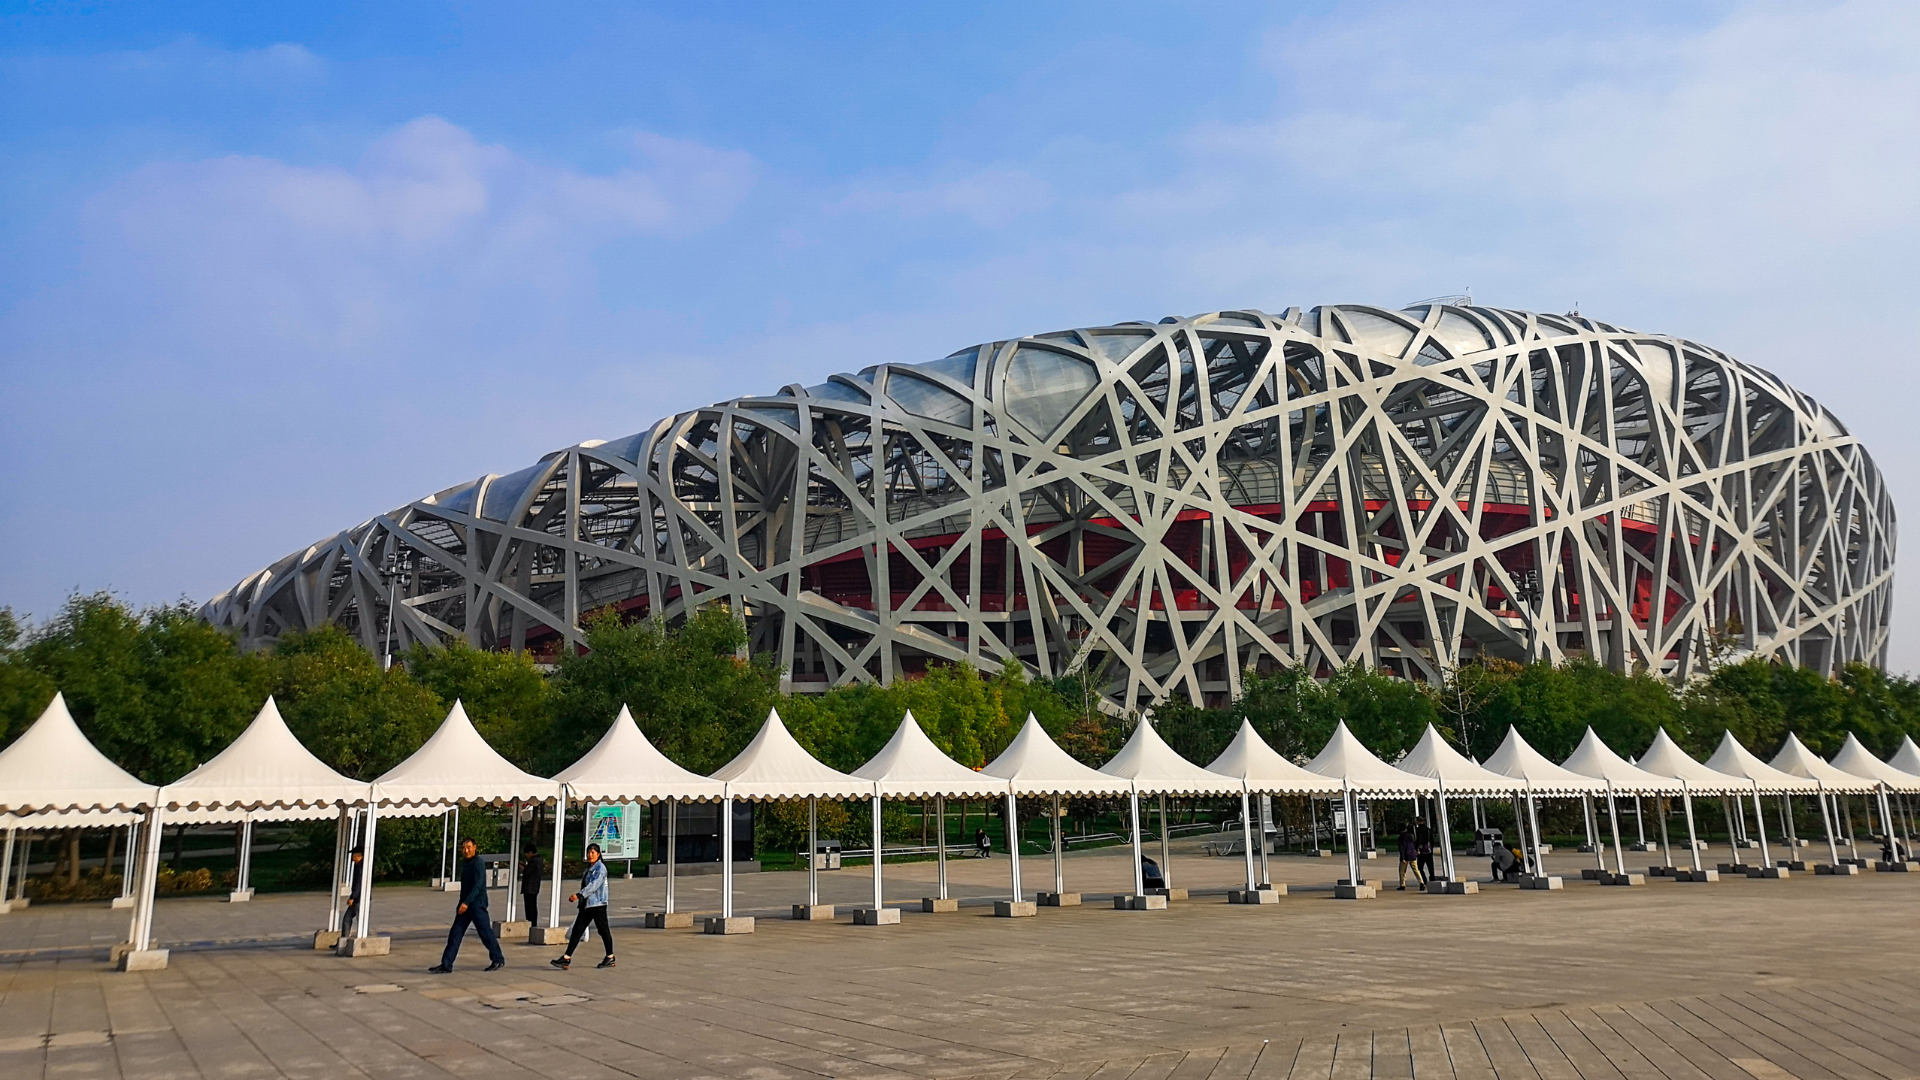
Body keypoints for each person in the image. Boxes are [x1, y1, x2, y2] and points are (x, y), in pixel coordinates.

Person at [429, 838, 505, 973]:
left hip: (476, 904)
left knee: (485, 933)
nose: (466, 850)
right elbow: (465, 887)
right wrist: (461, 903)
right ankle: (446, 964)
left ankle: (498, 959)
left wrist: (466, 902)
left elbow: (478, 885)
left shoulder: (478, 863)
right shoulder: (465, 863)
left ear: (475, 847)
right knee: (455, 934)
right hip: (465, 905)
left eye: (469, 847)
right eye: (464, 848)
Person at [551, 842, 614, 970]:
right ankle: (566, 958)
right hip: (587, 905)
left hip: (597, 905)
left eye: (593, 852)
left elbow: (594, 885)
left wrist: (579, 895)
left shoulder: (600, 869)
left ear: (598, 854)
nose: (590, 855)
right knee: (577, 931)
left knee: (603, 931)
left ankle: (610, 956)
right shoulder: (589, 869)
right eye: (588, 852)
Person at [341, 846, 365, 930]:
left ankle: (362, 936)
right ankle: (343, 940)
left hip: (359, 898)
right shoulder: (358, 866)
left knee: (359, 919)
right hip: (358, 897)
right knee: (347, 918)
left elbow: (358, 883)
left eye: (354, 855)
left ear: (359, 856)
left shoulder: (361, 868)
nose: (352, 857)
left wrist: (352, 897)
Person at [520, 842, 544, 923]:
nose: (527, 856)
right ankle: (532, 922)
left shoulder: (534, 861)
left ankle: (531, 922)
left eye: (527, 853)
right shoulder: (538, 860)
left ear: (530, 852)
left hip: (530, 888)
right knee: (532, 906)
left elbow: (527, 871)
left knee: (530, 907)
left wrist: (523, 868)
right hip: (534, 887)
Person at [1396, 825, 1419, 890]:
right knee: (1416, 870)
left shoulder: (1401, 837)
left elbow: (1402, 848)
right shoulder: (1410, 836)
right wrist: (1416, 851)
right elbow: (1414, 844)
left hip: (1405, 856)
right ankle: (1421, 882)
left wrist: (1403, 858)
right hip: (1412, 855)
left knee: (1402, 871)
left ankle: (1402, 885)